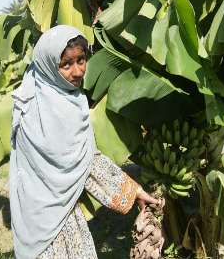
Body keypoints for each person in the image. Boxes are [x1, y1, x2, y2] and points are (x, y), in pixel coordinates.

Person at [9, 24, 159, 259]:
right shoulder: (36, 107)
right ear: (49, 64)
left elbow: (84, 158)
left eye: (81, 60)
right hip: (43, 213)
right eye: (66, 64)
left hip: (61, 211)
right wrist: (132, 191)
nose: (78, 71)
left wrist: (134, 190)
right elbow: (82, 163)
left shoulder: (64, 97)